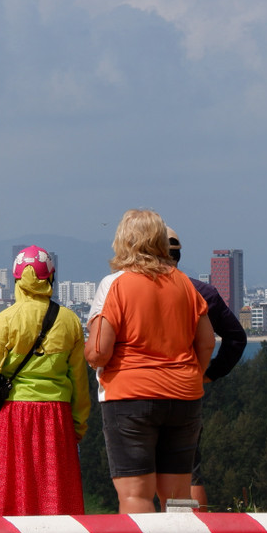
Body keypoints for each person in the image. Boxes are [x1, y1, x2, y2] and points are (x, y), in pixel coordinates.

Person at [86, 209, 214, 514]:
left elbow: (101, 352)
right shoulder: (184, 284)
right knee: (179, 497)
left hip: (130, 397)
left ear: (123, 241)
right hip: (184, 396)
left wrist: (88, 352)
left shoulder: (116, 284)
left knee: (136, 496)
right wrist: (195, 373)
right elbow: (207, 342)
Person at [0, 245, 90, 515]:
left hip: (15, 415)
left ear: (15, 280)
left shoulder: (7, 319)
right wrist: (78, 424)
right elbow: (79, 381)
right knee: (55, 493)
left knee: (9, 491)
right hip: (56, 417)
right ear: (51, 278)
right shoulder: (70, 321)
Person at [166, 227, 247, 511]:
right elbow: (236, 337)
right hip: (188, 387)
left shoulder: (132, 289)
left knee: (138, 473)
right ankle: (199, 531)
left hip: (142, 389)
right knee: (190, 466)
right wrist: (210, 373)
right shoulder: (203, 291)